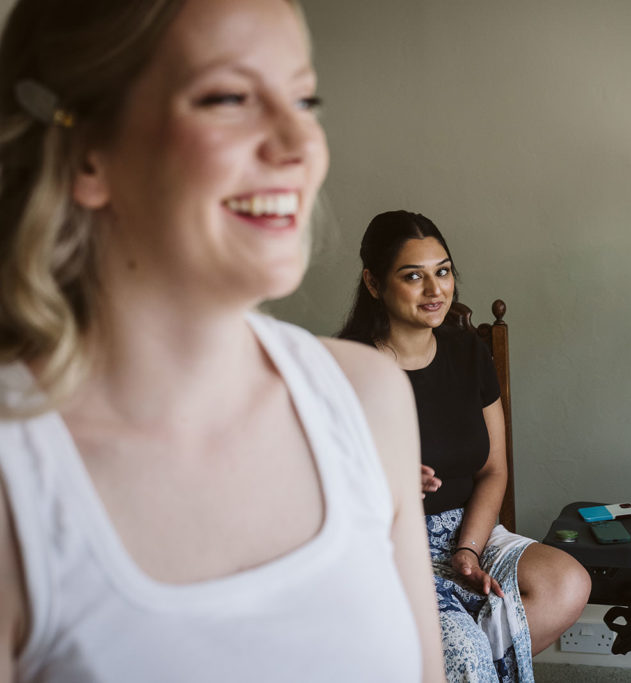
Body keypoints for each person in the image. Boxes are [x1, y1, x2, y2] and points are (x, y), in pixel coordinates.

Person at [0, 1, 444, 681]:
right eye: (229, 99)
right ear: (88, 153)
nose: (299, 143)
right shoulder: (17, 480)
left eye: (304, 99)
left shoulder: (368, 399)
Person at [339, 210, 591, 682]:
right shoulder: (347, 369)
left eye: (443, 271)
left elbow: (493, 469)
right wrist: (382, 481)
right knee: (465, 651)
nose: (435, 290)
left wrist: (469, 551)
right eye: (413, 276)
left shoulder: (469, 351)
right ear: (373, 283)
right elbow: (317, 493)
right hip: (391, 547)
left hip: (470, 529)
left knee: (566, 582)